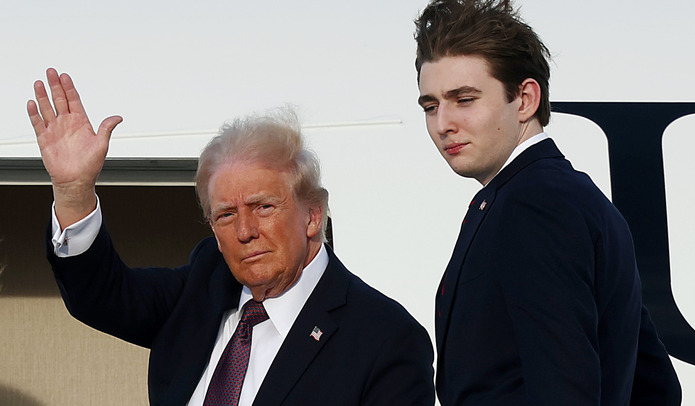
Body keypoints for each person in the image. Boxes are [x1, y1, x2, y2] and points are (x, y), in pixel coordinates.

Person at [27, 68, 434, 406]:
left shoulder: (386, 339)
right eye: (225, 215)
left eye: (263, 207)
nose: (244, 231)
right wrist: (74, 191)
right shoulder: (204, 283)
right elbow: (103, 296)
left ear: (313, 215)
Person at [414, 0, 682, 405]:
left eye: (463, 99)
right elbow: (657, 386)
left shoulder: (533, 205)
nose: (442, 123)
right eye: (430, 106)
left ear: (524, 99)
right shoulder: (578, 198)